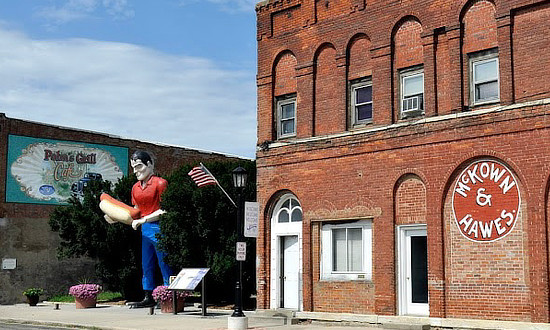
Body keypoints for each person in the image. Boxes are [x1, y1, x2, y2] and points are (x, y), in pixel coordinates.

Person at [128, 150, 172, 308]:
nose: (136, 171)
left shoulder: (160, 183)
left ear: (149, 165)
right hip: (144, 230)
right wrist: (116, 216)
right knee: (146, 264)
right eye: (133, 167)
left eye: (139, 166)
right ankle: (148, 295)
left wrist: (144, 219)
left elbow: (165, 209)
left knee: (164, 262)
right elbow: (135, 210)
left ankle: (168, 294)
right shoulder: (135, 188)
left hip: (159, 228)